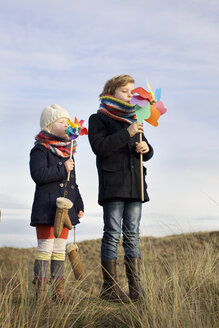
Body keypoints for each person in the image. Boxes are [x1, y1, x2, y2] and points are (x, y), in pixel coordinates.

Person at [88, 75, 154, 302]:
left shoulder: (136, 117)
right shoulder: (98, 119)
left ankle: (136, 289)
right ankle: (110, 288)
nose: (130, 94)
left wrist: (146, 147)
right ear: (111, 91)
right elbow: (100, 147)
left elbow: (146, 149)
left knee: (133, 235)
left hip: (136, 186)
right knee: (113, 233)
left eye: (132, 91)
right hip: (114, 185)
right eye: (125, 91)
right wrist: (128, 132)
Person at [30, 104, 84, 302]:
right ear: (49, 127)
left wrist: (79, 205)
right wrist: (63, 168)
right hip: (46, 209)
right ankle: (42, 294)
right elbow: (38, 175)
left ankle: (59, 292)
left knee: (60, 249)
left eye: (68, 122)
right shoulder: (40, 149)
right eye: (61, 122)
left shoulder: (69, 153)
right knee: (45, 248)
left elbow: (73, 183)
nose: (66, 125)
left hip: (66, 210)